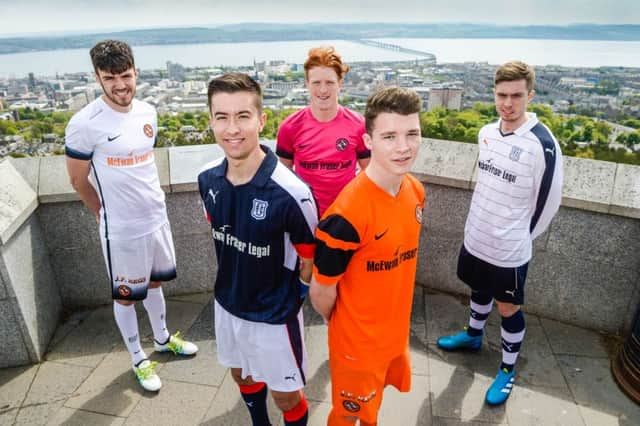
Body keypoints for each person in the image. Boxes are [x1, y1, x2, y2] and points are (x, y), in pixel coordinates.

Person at [64, 40, 198, 392]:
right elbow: (78, 180)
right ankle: (138, 358)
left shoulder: (147, 112)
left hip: (155, 217)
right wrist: (100, 212)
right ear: (97, 77)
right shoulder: (84, 123)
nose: (120, 84)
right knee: (125, 294)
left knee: (154, 282)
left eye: (125, 75)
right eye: (110, 78)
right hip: (121, 229)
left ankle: (163, 339)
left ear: (135, 71)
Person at [436, 60, 564, 406]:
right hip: (477, 237)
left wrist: (519, 237)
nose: (508, 103)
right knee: (478, 288)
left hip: (509, 248)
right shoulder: (487, 133)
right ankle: (474, 336)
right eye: (502, 95)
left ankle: (508, 369)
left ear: (530, 96)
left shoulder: (543, 145)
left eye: (516, 96)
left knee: (508, 306)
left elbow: (549, 203)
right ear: (494, 94)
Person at [198, 73, 318, 426]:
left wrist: (291, 301)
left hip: (273, 316)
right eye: (222, 117)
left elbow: (308, 261)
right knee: (241, 376)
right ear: (211, 121)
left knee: (286, 397)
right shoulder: (207, 179)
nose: (232, 128)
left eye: (243, 116)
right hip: (228, 305)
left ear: (261, 121)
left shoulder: (292, 193)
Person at [310, 86, 425, 425]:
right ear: (369, 141)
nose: (403, 147)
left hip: (394, 335)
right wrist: (346, 327)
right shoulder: (345, 217)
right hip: (356, 346)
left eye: (412, 134)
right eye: (389, 136)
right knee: (346, 417)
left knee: (372, 409)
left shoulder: (415, 190)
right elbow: (320, 292)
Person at [276, 46, 370, 216]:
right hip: (305, 216)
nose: (323, 90)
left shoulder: (359, 125)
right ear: (307, 84)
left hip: (346, 216)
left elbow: (370, 172)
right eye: (316, 83)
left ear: (340, 84)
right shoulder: (289, 127)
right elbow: (284, 179)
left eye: (329, 82)